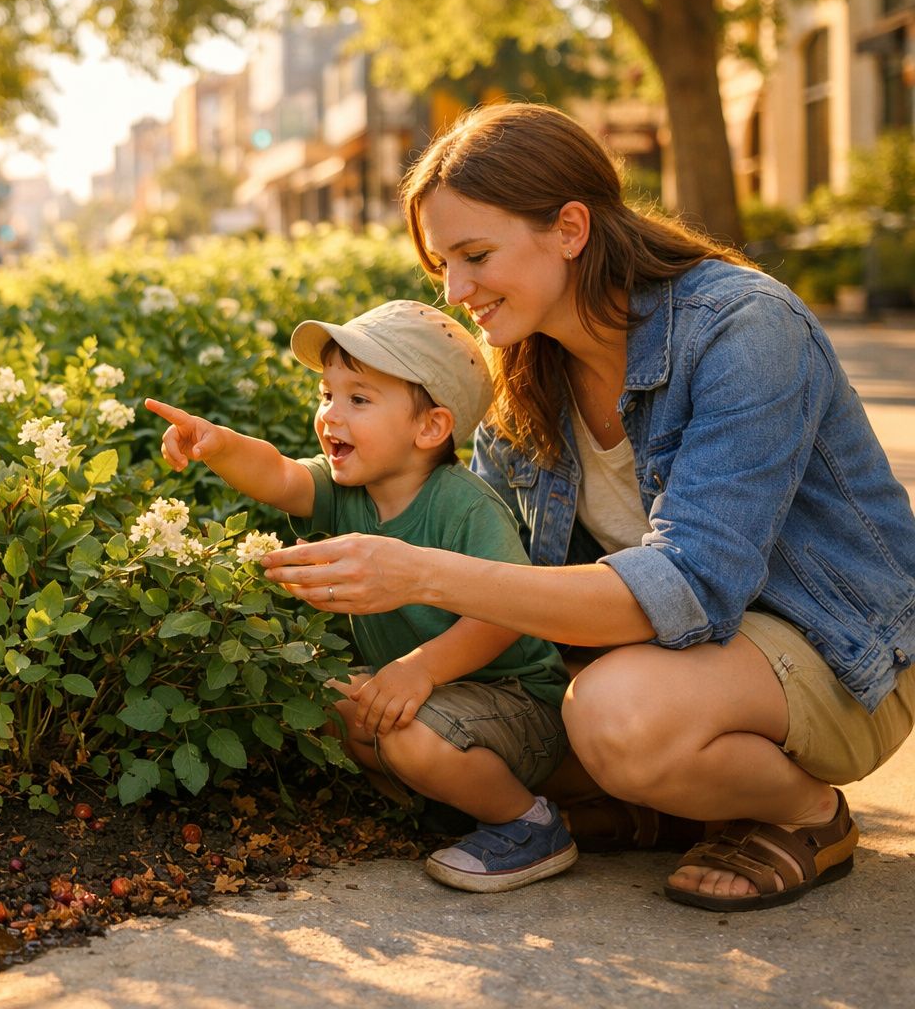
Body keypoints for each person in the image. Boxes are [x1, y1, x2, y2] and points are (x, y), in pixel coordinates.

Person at [259, 102, 915, 912]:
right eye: (442, 268)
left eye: (475, 255)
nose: (458, 290)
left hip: (831, 656)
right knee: (426, 730)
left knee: (615, 719)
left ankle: (806, 815)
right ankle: (661, 802)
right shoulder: (524, 382)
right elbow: (511, 598)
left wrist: (421, 574)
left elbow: (693, 588)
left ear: (570, 228)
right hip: (661, 662)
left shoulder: (743, 327)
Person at [147, 299, 576, 893]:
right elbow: (276, 474)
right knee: (320, 698)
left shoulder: (465, 506)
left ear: (430, 428)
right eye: (326, 394)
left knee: (404, 733)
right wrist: (216, 444)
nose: (330, 415)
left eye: (359, 399)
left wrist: (418, 670)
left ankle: (528, 825)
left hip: (517, 705)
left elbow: (505, 617)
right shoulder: (349, 487)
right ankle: (445, 807)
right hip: (435, 694)